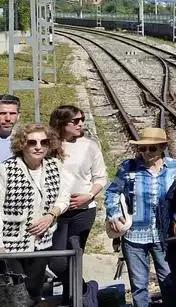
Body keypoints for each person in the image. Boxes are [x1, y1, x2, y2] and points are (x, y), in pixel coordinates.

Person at [105, 127, 176, 307]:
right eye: (142, 148)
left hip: (164, 235)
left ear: (163, 147)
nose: (146, 153)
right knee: (139, 284)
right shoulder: (128, 167)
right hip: (134, 235)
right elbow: (111, 192)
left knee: (169, 280)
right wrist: (114, 215)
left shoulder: (175, 167)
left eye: (152, 148)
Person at [0, 123, 70, 301]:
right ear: (22, 144)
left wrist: (51, 215)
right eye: (32, 142)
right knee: (14, 295)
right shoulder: (6, 169)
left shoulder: (55, 166)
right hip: (11, 245)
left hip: (42, 243)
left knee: (34, 292)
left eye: (43, 142)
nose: (38, 147)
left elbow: (64, 197)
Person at [48, 105, 107, 302]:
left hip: (82, 210)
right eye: (75, 121)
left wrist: (89, 195)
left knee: (75, 258)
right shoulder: (47, 144)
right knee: (57, 262)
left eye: (82, 119)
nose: (81, 123)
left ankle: (72, 299)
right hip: (55, 211)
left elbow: (101, 177)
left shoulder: (89, 145)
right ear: (61, 123)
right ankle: (84, 289)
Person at [0, 94, 19, 162]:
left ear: (18, 116)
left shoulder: (25, 141)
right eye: (2, 113)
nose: (8, 118)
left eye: (12, 113)